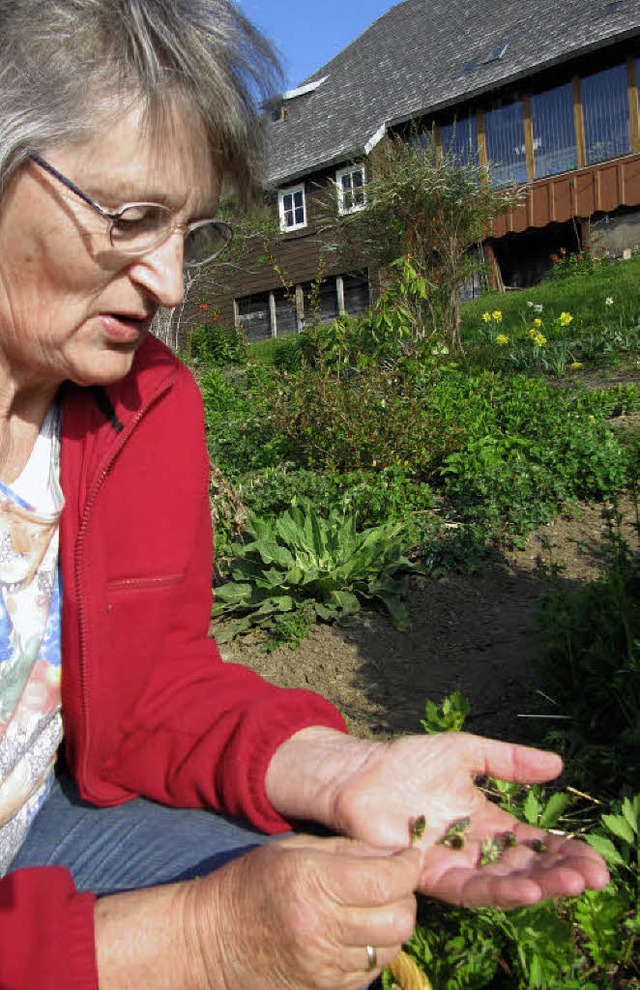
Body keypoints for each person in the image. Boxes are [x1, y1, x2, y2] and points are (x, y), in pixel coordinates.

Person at [0, 1, 608, 987]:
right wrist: (193, 940)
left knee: (321, 913)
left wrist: (348, 769)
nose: (165, 281)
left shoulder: (141, 403)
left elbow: (152, 690)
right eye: (127, 218)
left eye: (188, 229)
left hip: (35, 823)